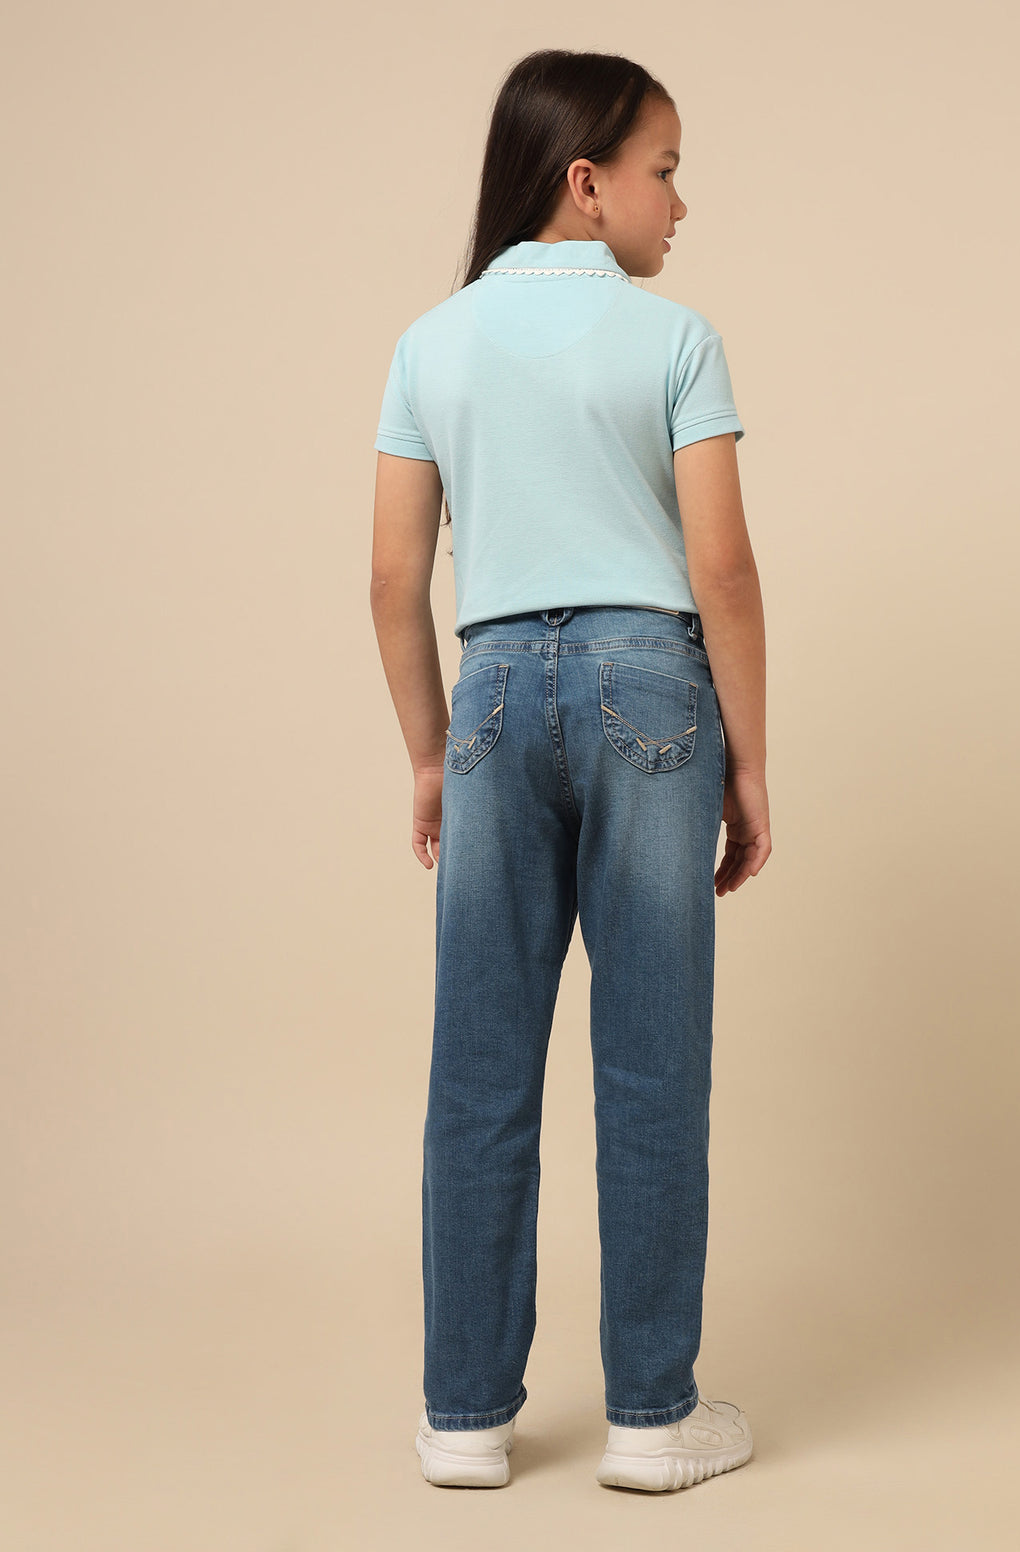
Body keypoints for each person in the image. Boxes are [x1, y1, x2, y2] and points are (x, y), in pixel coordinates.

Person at [369, 48, 770, 1493]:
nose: (682, 201)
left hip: (487, 692)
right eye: (666, 169)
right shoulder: (676, 340)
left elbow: (392, 581)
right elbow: (722, 569)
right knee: (652, 1066)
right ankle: (653, 1420)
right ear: (587, 182)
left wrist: (433, 753)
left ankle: (464, 1417)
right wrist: (749, 763)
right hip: (651, 687)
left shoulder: (430, 344)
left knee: (479, 1068)